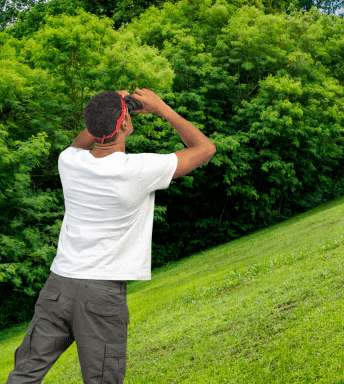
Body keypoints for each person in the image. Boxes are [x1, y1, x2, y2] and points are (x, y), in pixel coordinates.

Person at [6, 88, 216, 384]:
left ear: (92, 126)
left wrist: (105, 108)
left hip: (58, 286)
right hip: (101, 294)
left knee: (25, 373)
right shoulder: (140, 170)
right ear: (125, 124)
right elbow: (205, 149)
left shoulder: (68, 161)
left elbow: (83, 141)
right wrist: (161, 109)